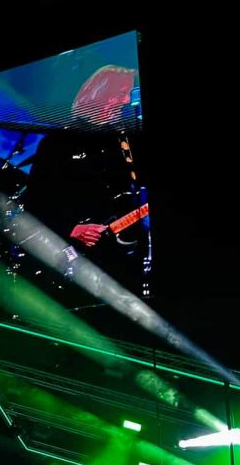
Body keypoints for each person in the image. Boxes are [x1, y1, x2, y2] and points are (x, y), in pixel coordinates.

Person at [18, 64, 151, 293]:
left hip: (124, 255)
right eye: (121, 94)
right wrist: (72, 228)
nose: (126, 101)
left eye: (128, 94)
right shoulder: (58, 142)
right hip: (75, 257)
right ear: (100, 93)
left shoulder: (125, 141)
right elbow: (35, 201)